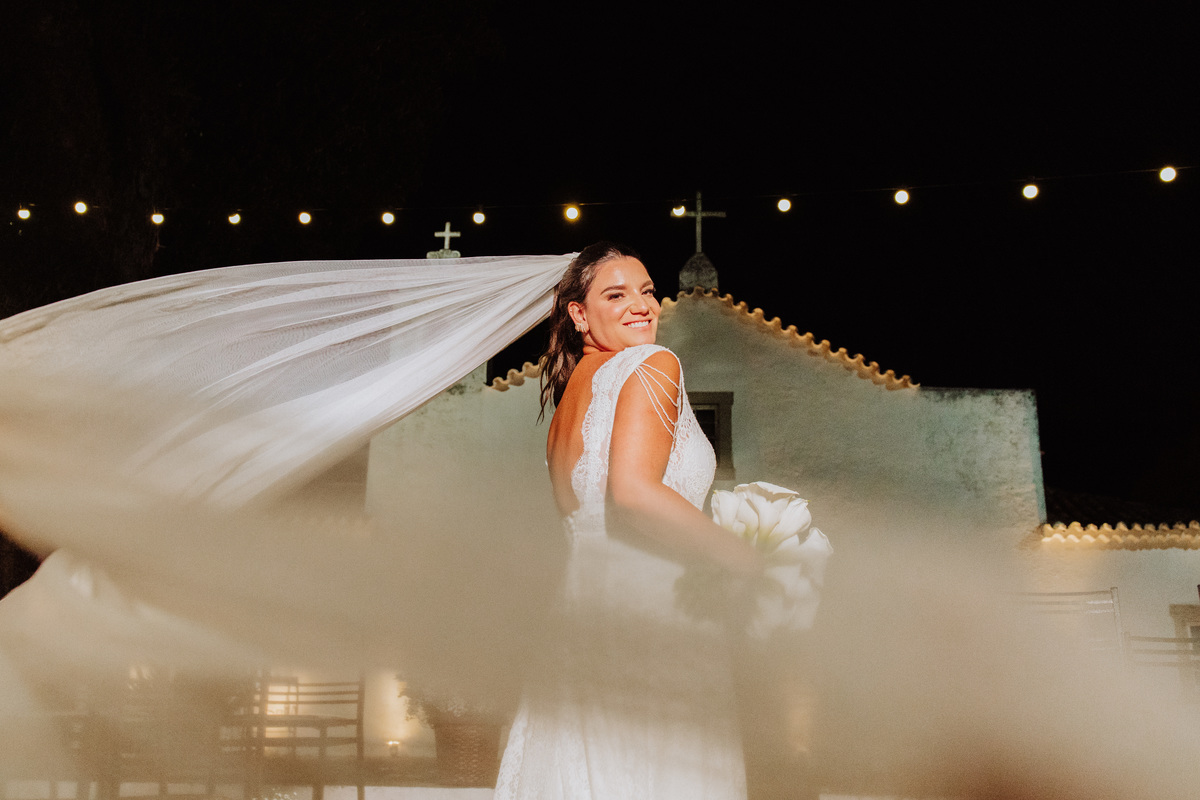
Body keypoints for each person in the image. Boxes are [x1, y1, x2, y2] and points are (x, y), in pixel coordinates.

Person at [494, 242, 761, 800]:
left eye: (646, 290)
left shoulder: (570, 400)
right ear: (578, 314)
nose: (643, 305)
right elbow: (634, 494)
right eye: (616, 294)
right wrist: (743, 555)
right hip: (653, 616)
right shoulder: (650, 364)